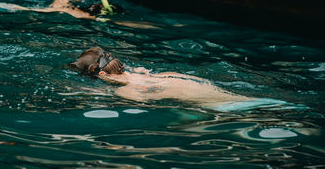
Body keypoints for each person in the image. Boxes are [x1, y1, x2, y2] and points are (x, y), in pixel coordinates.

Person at [71, 47, 257, 109]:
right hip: (195, 84)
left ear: (102, 74)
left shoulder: (127, 91)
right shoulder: (143, 72)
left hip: (201, 97)